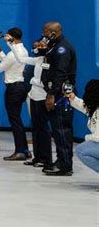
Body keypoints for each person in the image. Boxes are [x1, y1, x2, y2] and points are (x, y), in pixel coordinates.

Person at [7, 36, 52, 167]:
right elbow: (21, 59)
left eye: (40, 46)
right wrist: (11, 45)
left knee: (43, 129)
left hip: (43, 96)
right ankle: (37, 157)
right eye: (36, 46)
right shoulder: (37, 59)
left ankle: (46, 158)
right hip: (33, 95)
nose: (37, 48)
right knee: (36, 128)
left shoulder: (51, 59)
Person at [40, 22, 77, 176]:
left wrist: (52, 94)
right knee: (57, 129)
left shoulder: (62, 48)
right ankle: (61, 159)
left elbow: (61, 73)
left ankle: (65, 164)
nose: (44, 35)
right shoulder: (54, 45)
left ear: (54, 32)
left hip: (61, 94)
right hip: (56, 92)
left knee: (62, 129)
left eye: (46, 32)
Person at [0, 27, 30, 161]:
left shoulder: (14, 53)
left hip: (13, 89)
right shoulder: (22, 50)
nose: (5, 38)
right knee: (17, 119)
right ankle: (24, 150)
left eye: (7, 36)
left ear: (11, 37)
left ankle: (20, 151)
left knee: (15, 120)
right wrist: (0, 53)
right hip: (20, 86)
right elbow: (10, 64)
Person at [67, 80, 99, 183]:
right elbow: (84, 107)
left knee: (82, 150)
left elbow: (97, 137)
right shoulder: (95, 107)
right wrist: (73, 98)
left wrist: (87, 138)